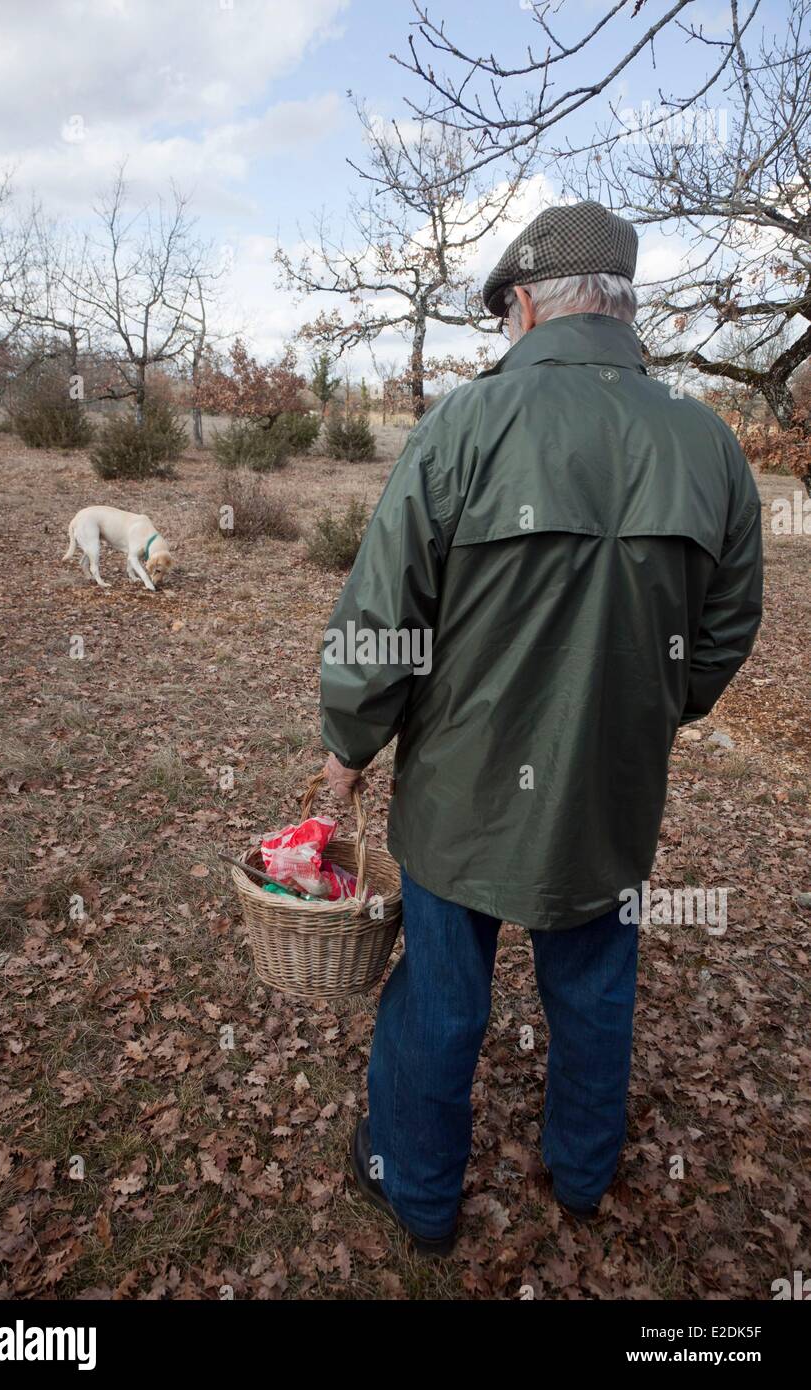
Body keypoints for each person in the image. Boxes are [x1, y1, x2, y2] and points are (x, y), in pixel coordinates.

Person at [318, 200, 764, 1257]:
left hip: (459, 797)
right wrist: (647, 714)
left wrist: (346, 748)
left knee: (437, 995)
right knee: (595, 986)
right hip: (607, 794)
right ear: (619, 305)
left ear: (523, 305)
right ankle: (580, 1171)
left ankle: (415, 1192)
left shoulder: (465, 426)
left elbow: (384, 622)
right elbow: (724, 630)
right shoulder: (707, 444)